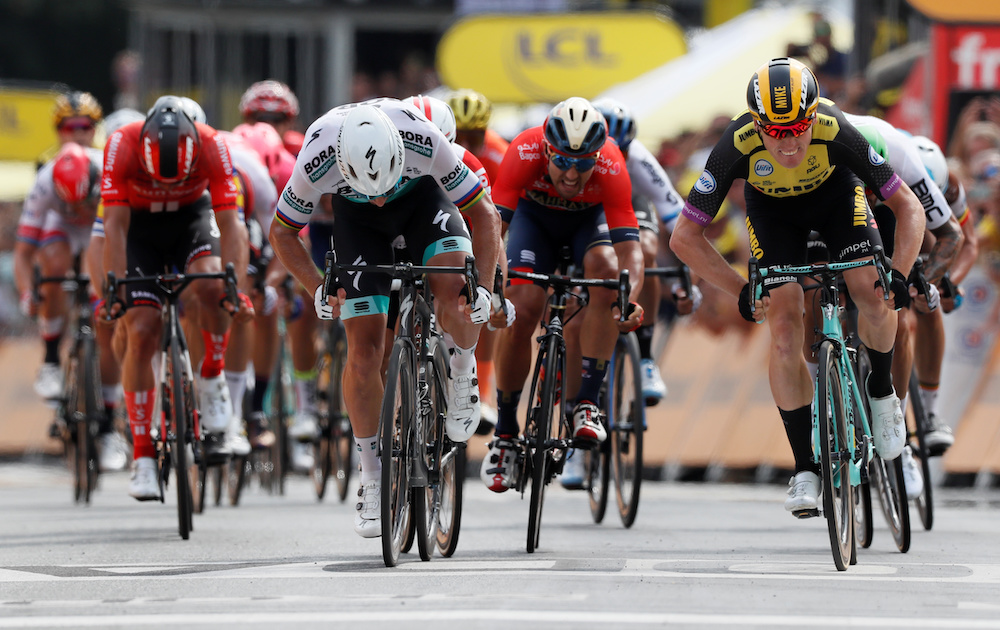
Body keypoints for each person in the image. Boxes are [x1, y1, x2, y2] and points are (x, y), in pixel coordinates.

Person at [670, 58, 926, 515]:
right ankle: (805, 467)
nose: (787, 142)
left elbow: (908, 207)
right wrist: (740, 289)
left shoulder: (835, 127)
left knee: (872, 290)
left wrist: (901, 272)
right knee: (784, 329)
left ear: (813, 117)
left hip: (836, 200)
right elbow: (684, 238)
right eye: (774, 131)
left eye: (797, 129)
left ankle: (883, 393)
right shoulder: (735, 143)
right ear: (755, 122)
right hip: (773, 217)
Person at [268, 98, 501, 538]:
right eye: (366, 187)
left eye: (382, 185)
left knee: (456, 289)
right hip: (357, 224)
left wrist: (485, 291)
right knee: (363, 351)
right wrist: (316, 286)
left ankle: (462, 367)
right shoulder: (316, 155)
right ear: (339, 164)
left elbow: (484, 214)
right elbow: (281, 231)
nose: (378, 197)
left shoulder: (424, 139)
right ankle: (372, 477)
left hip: (422, 201)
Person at [481, 97, 645, 494]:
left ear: (597, 157)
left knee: (608, 274)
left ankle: (587, 403)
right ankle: (505, 433)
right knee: (523, 308)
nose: (572, 175)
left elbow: (630, 249)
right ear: (546, 150)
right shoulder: (523, 149)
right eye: (563, 163)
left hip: (587, 226)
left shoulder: (610, 163)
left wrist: (630, 297)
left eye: (583, 163)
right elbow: (493, 229)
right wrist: (492, 289)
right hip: (532, 223)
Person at [101, 96, 250, 500]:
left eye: (175, 176)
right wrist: (114, 287)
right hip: (140, 229)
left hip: (192, 220)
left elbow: (231, 224)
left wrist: (235, 286)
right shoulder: (121, 143)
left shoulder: (212, 142)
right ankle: (144, 457)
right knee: (142, 330)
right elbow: (113, 228)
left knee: (211, 285)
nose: (167, 182)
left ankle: (213, 376)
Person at [591, 97, 698, 405]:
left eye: (621, 151)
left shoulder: (638, 159)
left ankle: (646, 358)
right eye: (606, 150)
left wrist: (684, 277)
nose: (614, 156)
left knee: (646, 250)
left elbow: (677, 217)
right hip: (590, 203)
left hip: (629, 201)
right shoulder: (578, 156)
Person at [447, 88, 511, 434]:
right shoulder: (444, 152)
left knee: (485, 298)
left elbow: (497, 220)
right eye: (462, 136)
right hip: (446, 220)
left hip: (486, 222)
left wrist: (496, 280)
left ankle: (482, 391)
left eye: (476, 136)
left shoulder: (500, 156)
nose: (469, 145)